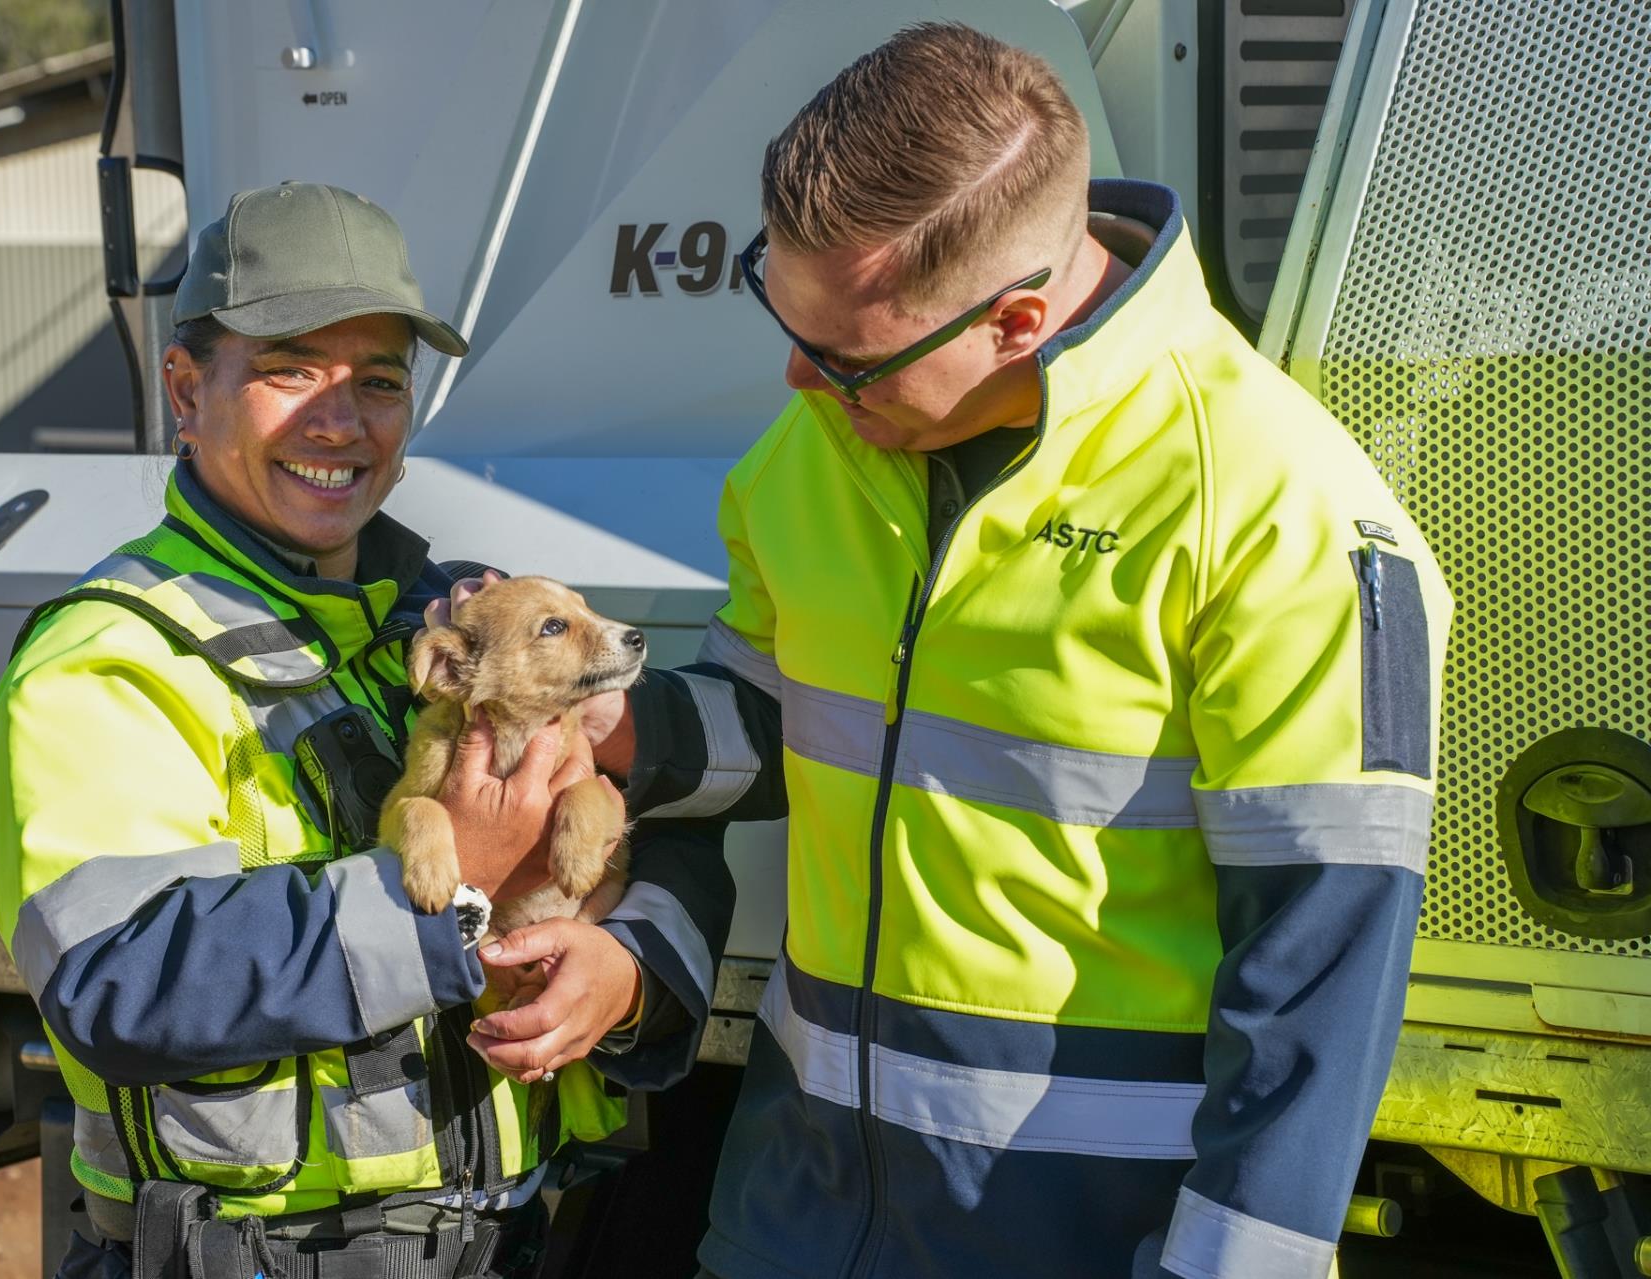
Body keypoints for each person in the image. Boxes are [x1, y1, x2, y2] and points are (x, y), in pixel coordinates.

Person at [547, 23, 1451, 1279]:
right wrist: (596, 726)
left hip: (1075, 1232)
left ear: (1018, 319)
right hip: (792, 1214)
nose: (798, 379)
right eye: (783, 308)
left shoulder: (1278, 512)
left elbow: (1322, 975)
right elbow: (775, 718)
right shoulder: (816, 449)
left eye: (850, 358)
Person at [0, 181, 731, 1278]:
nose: (341, 420)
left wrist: (628, 969)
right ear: (185, 391)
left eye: (378, 380)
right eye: (289, 369)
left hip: (507, 1239)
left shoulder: (465, 618)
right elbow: (115, 983)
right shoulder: (110, 661)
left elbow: (670, 835)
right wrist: (439, 888)